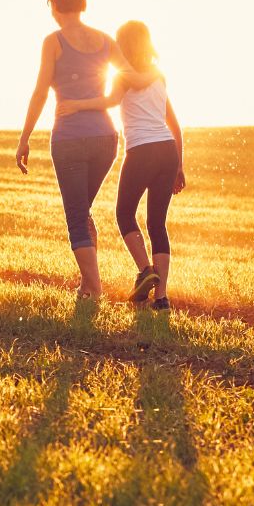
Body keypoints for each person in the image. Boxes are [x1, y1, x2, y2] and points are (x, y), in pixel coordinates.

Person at [15, 0, 151, 300]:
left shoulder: (54, 41)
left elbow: (39, 92)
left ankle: (94, 289)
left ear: (55, 7)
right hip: (106, 139)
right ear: (82, 3)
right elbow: (132, 76)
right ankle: (88, 282)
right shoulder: (104, 40)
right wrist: (155, 78)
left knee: (76, 217)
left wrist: (24, 138)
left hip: (70, 140)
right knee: (83, 209)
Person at [54, 19, 184, 308]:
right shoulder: (159, 75)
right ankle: (161, 299)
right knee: (157, 224)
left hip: (142, 151)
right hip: (167, 150)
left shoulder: (123, 75)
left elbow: (109, 102)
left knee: (124, 213)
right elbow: (174, 125)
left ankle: (145, 270)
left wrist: (76, 105)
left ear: (122, 45)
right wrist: (180, 164)